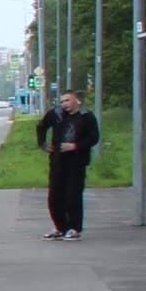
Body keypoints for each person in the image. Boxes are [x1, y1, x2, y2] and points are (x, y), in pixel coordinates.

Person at [38, 91, 100, 239]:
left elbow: (93, 138)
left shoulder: (86, 116)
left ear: (77, 100)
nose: (64, 104)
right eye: (62, 101)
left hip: (77, 162)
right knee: (54, 197)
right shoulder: (56, 114)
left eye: (67, 100)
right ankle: (60, 227)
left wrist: (75, 146)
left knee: (73, 195)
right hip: (58, 161)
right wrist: (43, 143)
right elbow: (41, 126)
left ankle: (74, 228)